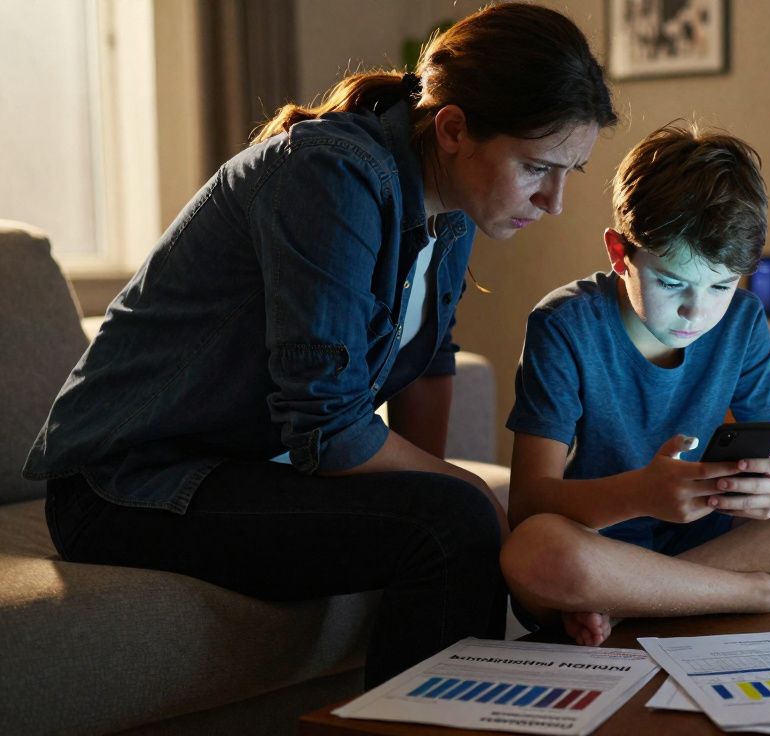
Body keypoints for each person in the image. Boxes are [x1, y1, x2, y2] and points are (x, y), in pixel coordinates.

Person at [23, 3, 616, 687]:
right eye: (539, 167)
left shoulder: (451, 207)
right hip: (124, 485)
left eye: (571, 170)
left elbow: (429, 360)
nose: (555, 202)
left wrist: (453, 484)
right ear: (453, 129)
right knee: (453, 522)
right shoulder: (331, 176)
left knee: (469, 513)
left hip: (233, 467)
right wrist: (470, 496)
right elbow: (328, 433)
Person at [500, 123, 770, 647]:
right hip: (602, 551)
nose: (697, 311)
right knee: (532, 551)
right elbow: (530, 505)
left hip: (703, 547)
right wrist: (640, 496)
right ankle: (766, 593)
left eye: (721, 285)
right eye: (671, 282)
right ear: (619, 253)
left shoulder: (741, 321)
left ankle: (639, 604)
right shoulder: (565, 325)